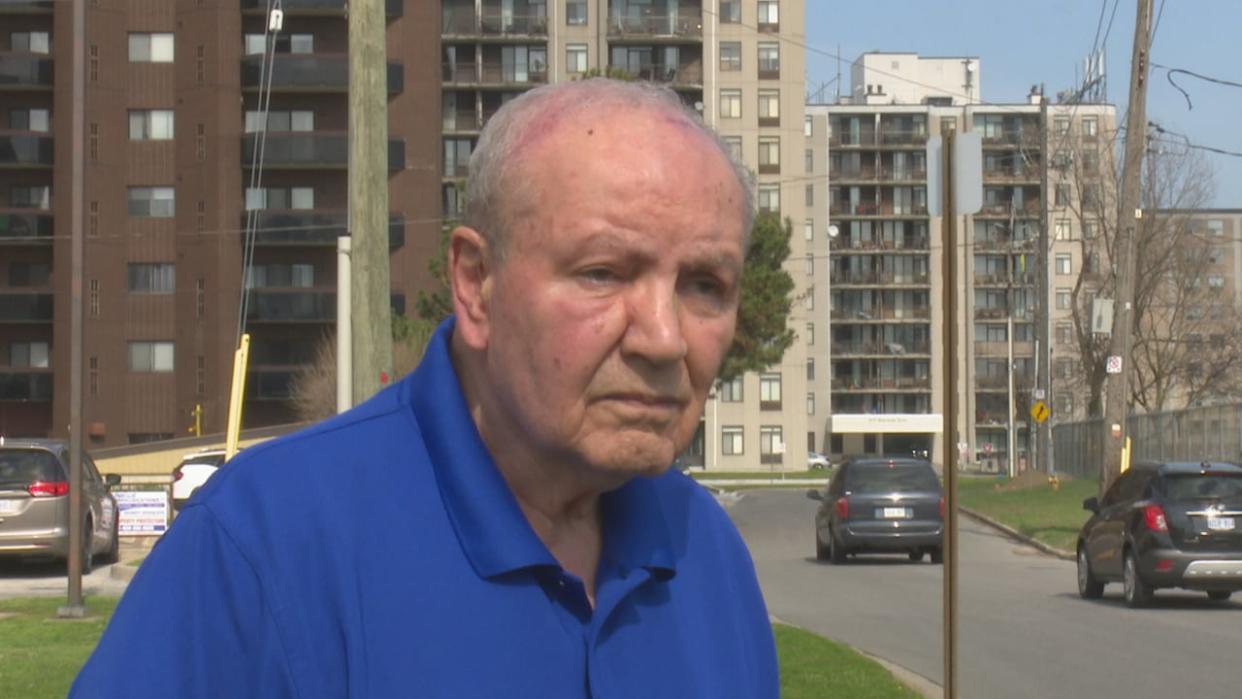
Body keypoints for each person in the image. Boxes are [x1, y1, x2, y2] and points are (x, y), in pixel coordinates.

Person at [72, 79, 778, 697]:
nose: (664, 338)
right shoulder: (264, 548)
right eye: (603, 273)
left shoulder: (705, 553)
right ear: (475, 282)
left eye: (705, 285)